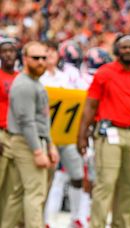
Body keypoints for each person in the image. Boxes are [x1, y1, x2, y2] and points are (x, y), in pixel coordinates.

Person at [77, 34, 130, 228]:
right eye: (124, 47)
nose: (128, 50)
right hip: (109, 132)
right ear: (116, 50)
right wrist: (81, 135)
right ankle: (97, 225)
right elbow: (90, 106)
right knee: (106, 184)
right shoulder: (104, 73)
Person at [1, 41, 59, 228]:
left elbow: (41, 120)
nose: (41, 62)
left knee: (18, 193)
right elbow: (27, 122)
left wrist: (49, 145)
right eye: (35, 58)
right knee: (36, 193)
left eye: (44, 57)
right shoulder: (24, 85)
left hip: (31, 141)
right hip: (26, 143)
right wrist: (37, 151)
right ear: (25, 59)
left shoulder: (33, 82)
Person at [40, 41, 87, 227]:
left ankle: (75, 217)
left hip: (67, 134)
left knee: (77, 174)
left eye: (52, 51)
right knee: (45, 179)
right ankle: (42, 219)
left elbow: (83, 95)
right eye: (46, 52)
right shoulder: (38, 76)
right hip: (45, 135)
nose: (50, 55)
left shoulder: (68, 75)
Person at [0, 38, 19, 222]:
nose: (8, 54)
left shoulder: (21, 77)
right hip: (1, 132)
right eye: (4, 51)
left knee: (11, 187)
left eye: (11, 51)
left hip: (17, 136)